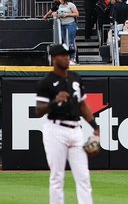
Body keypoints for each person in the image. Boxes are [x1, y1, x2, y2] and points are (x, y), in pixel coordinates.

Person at [34, 43, 100, 204]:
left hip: (76, 130)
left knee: (83, 176)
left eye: (68, 55)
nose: (67, 58)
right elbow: (39, 111)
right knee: (57, 176)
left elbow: (82, 105)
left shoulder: (76, 78)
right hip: (55, 130)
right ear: (54, 58)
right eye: (63, 55)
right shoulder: (46, 82)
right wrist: (54, 102)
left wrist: (95, 127)